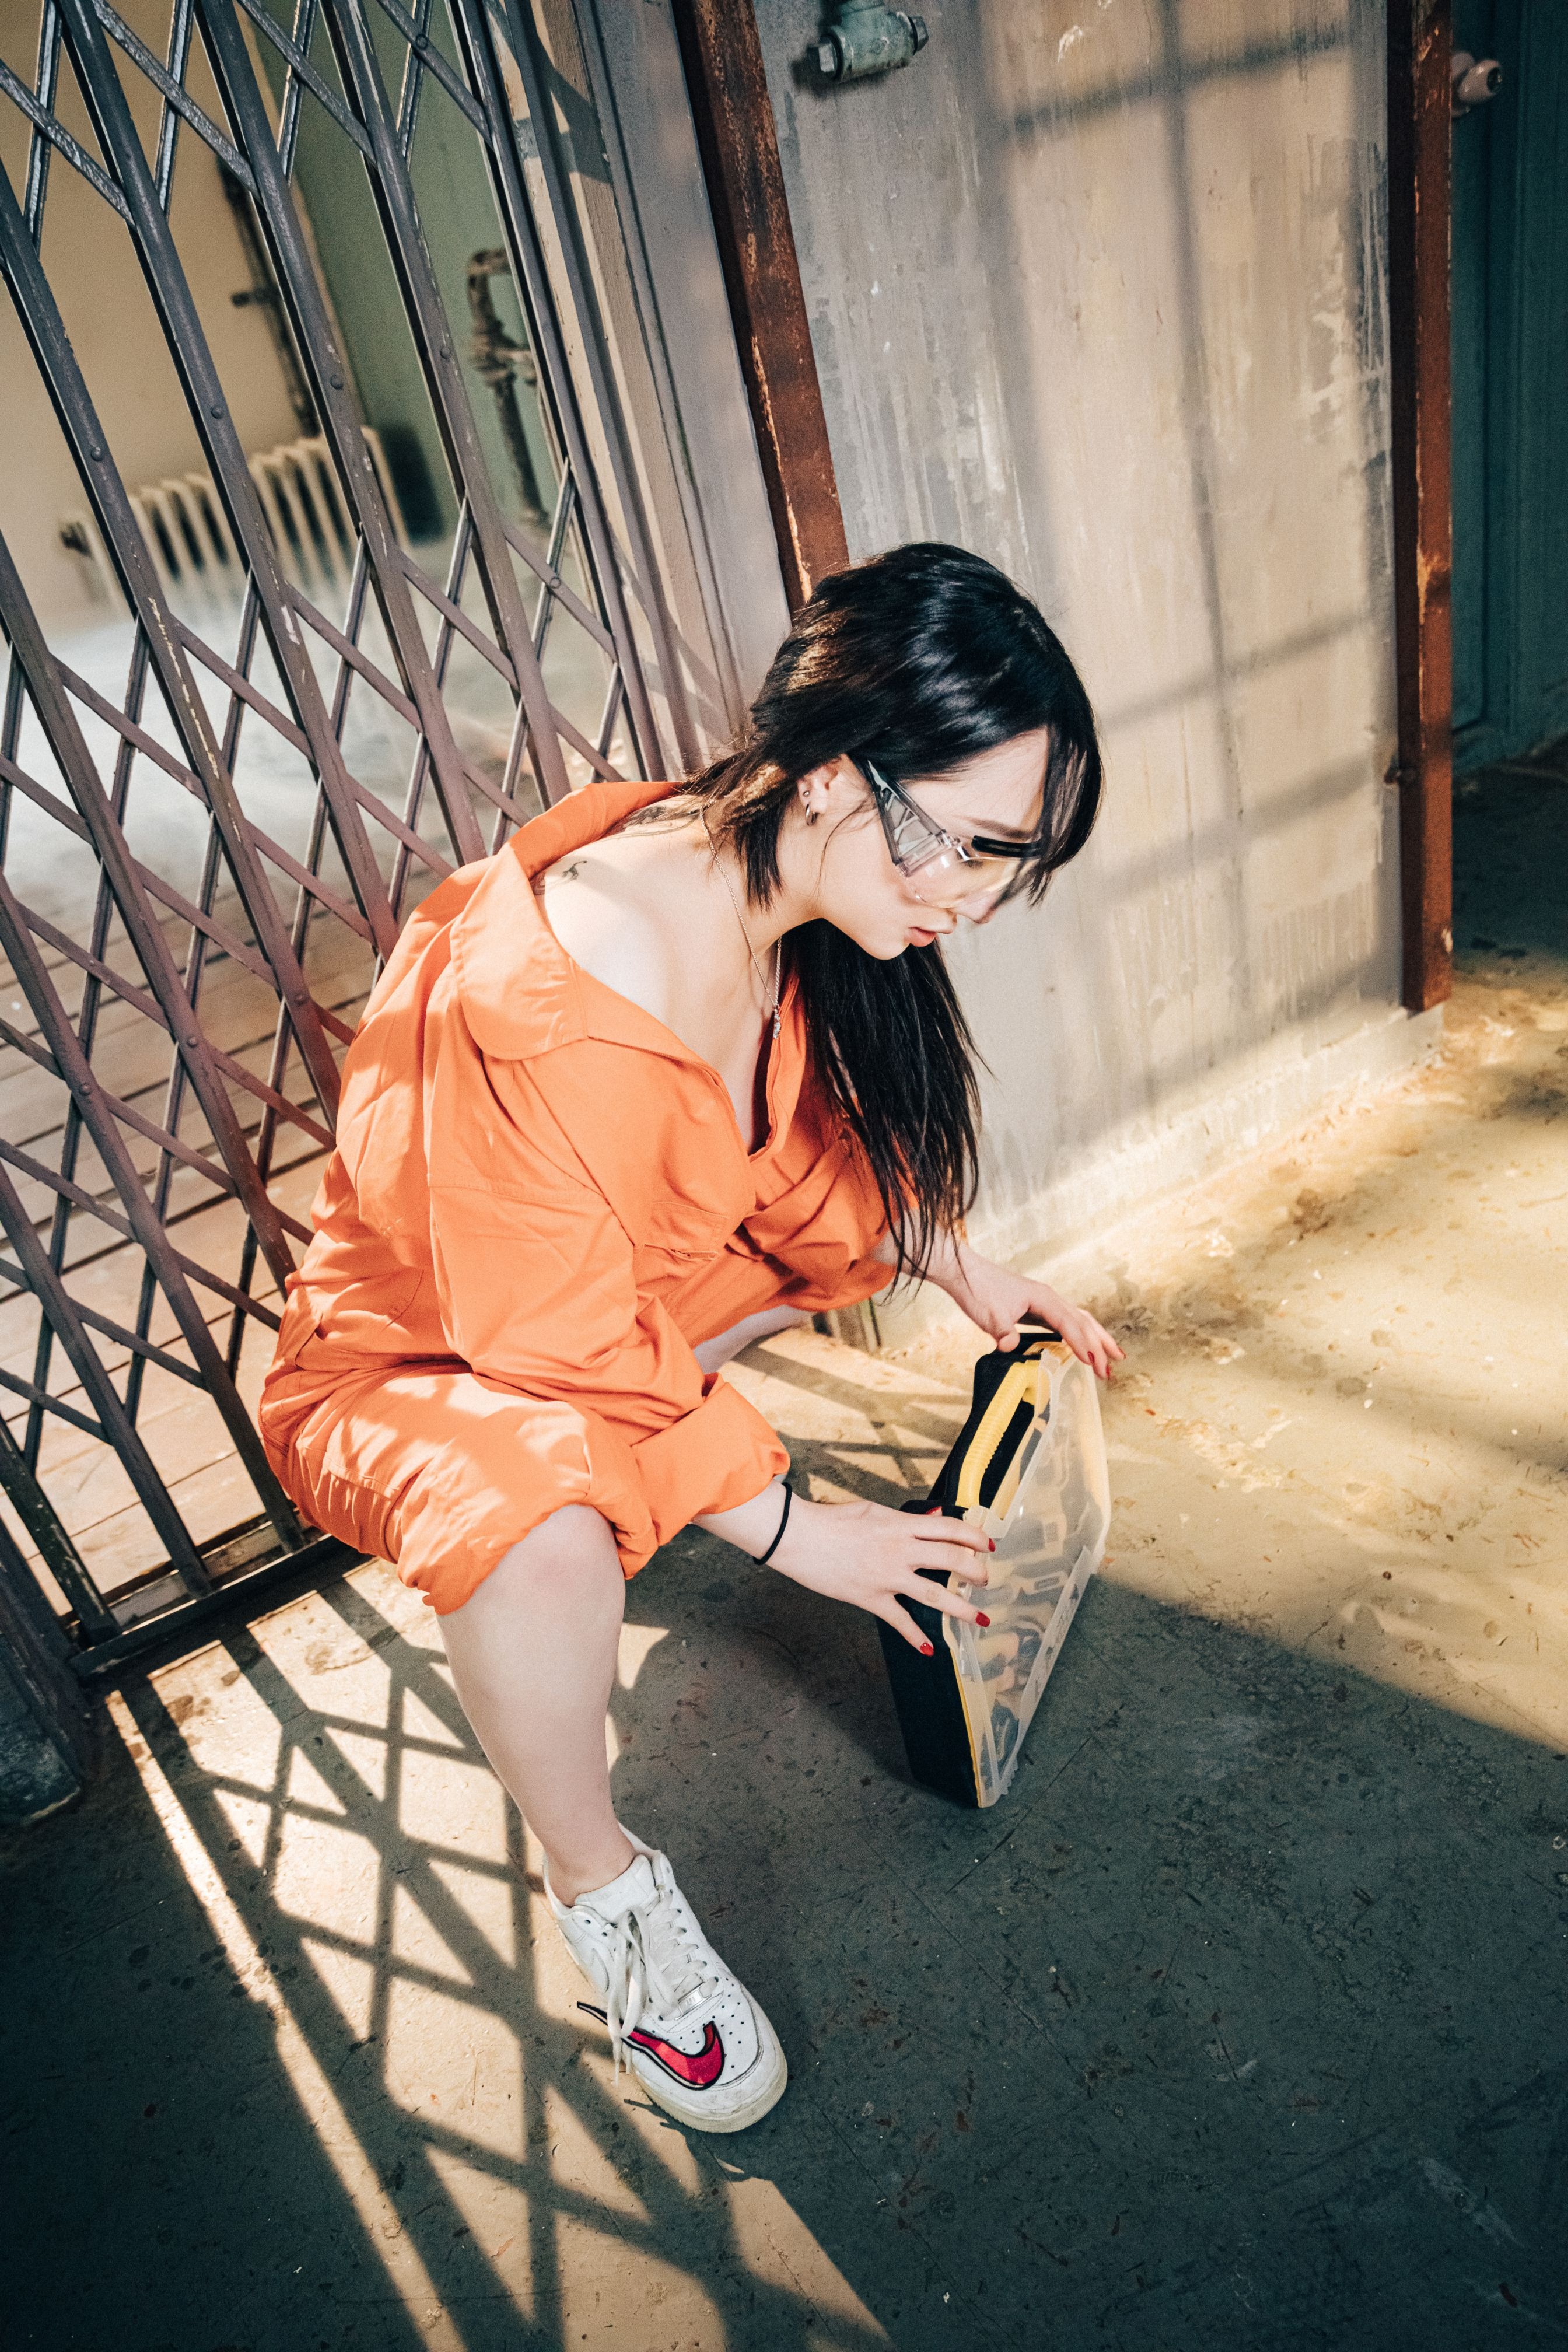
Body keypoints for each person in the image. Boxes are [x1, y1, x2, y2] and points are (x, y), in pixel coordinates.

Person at [260, 541, 1123, 2135]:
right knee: (544, 1528)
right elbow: (555, 1337)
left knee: (810, 1260)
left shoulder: (760, 863)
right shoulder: (586, 965)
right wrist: (803, 1532)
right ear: (839, 773)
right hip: (426, 1361)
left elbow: (787, 1149)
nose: (979, 900)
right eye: (973, 848)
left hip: (603, 1307)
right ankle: (604, 1892)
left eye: (1014, 866)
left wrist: (956, 1263)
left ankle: (656, 1481)